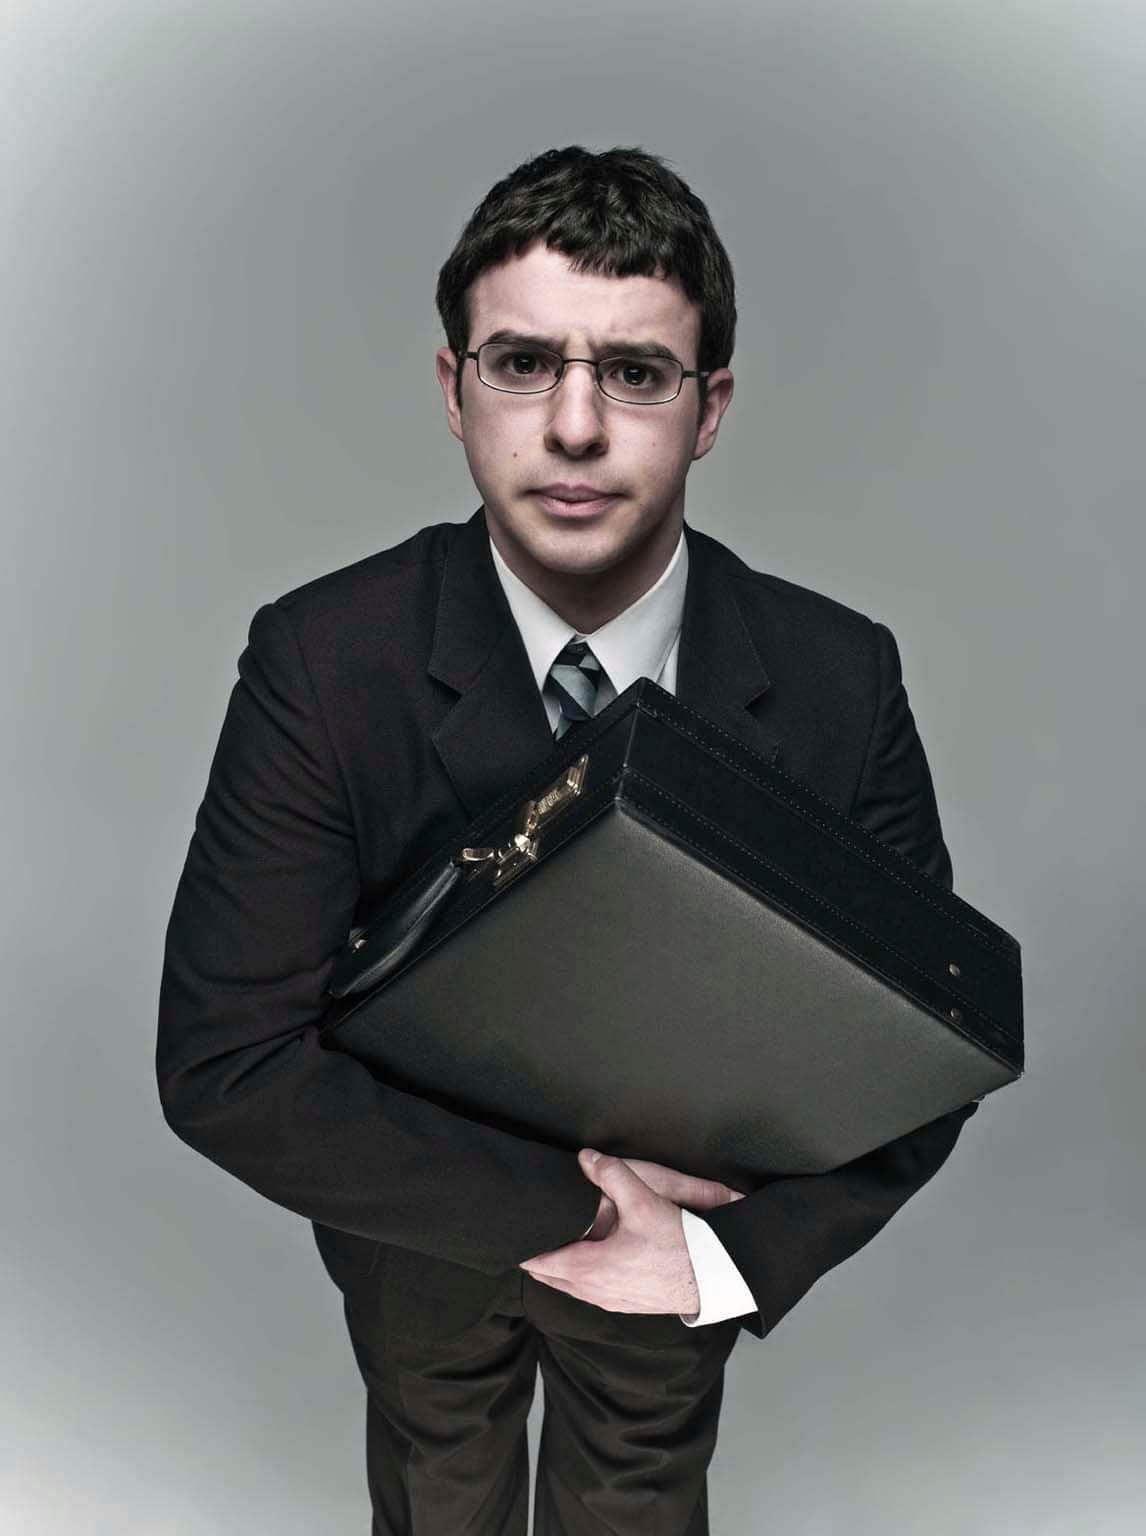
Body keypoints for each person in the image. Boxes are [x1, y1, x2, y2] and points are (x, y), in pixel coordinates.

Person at [157, 145, 979, 1534]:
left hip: (686, 1244)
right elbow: (223, 1059)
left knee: (636, 1505)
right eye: (523, 365)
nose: (576, 427)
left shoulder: (840, 676)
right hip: (413, 1227)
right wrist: (578, 1210)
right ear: (454, 389)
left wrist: (722, 1261)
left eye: (637, 372)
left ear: (709, 407)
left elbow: (931, 1041)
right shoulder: (323, 657)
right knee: (436, 1492)